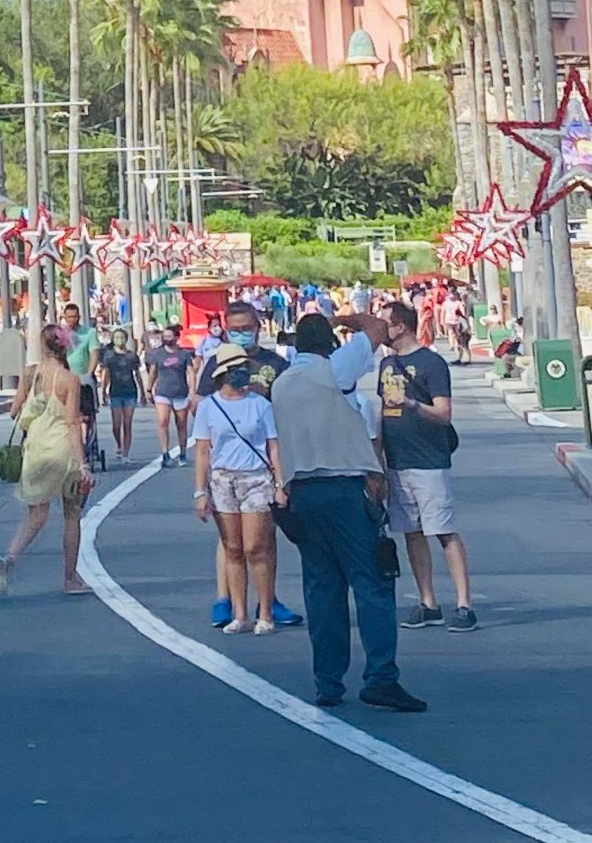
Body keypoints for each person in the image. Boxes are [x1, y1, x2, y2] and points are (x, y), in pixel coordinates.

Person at [270, 312, 424, 713]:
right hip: (344, 488)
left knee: (323, 589)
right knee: (372, 583)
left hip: (303, 491)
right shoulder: (334, 370)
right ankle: (381, 677)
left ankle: (328, 681)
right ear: (331, 344)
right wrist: (346, 316)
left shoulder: (282, 383)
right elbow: (375, 327)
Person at [198, 298, 301, 630]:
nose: (241, 334)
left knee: (262, 540)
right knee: (231, 542)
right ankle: (226, 599)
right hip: (227, 466)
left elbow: (287, 407)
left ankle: (268, 603)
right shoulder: (217, 363)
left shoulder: (275, 363)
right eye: (235, 330)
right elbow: (204, 407)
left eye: (247, 328)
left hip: (262, 455)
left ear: (259, 326)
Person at [378, 297, 475, 631]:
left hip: (429, 461)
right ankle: (427, 601)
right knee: (412, 533)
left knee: (443, 530)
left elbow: (444, 413)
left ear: (400, 326)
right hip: (398, 461)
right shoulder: (386, 365)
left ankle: (463, 604)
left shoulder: (431, 364)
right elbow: (382, 414)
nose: (381, 329)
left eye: (385, 323)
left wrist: (410, 403)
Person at [189, 345, 285, 632]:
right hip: (222, 480)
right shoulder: (209, 406)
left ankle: (265, 612)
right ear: (224, 374)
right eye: (235, 370)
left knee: (256, 546)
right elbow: (203, 450)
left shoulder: (260, 405)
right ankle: (239, 613)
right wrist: (200, 491)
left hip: (255, 478)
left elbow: (273, 447)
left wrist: (280, 484)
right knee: (233, 548)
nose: (242, 374)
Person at [0, 325, 91, 596]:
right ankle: (70, 579)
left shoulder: (31, 373)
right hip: (62, 451)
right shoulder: (69, 379)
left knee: (36, 514)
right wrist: (83, 464)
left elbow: (14, 412)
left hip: (35, 447)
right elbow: (72, 424)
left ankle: (10, 557)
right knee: (72, 513)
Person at [147, 323, 198, 467]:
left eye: (170, 336)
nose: (167, 339)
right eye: (165, 336)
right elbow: (153, 372)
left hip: (180, 393)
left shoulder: (184, 354)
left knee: (181, 424)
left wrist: (192, 391)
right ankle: (165, 453)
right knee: (163, 422)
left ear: (176, 337)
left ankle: (182, 453)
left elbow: (191, 372)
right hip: (163, 392)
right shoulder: (158, 354)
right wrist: (149, 388)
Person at [97, 326, 141, 464]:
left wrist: (143, 391)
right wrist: (104, 391)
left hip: (130, 392)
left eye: (122, 337)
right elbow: (106, 374)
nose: (119, 340)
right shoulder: (109, 355)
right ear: (112, 339)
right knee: (116, 424)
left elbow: (137, 374)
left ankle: (126, 453)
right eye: (116, 338)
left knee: (127, 423)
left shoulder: (131, 355)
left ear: (126, 339)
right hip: (115, 392)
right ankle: (119, 445)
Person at [63, 304, 100, 455]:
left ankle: (87, 441)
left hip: (83, 378)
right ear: (65, 317)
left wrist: (89, 373)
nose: (72, 320)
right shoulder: (61, 334)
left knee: (86, 412)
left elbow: (94, 354)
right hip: (66, 378)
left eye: (75, 316)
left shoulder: (89, 333)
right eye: (69, 317)